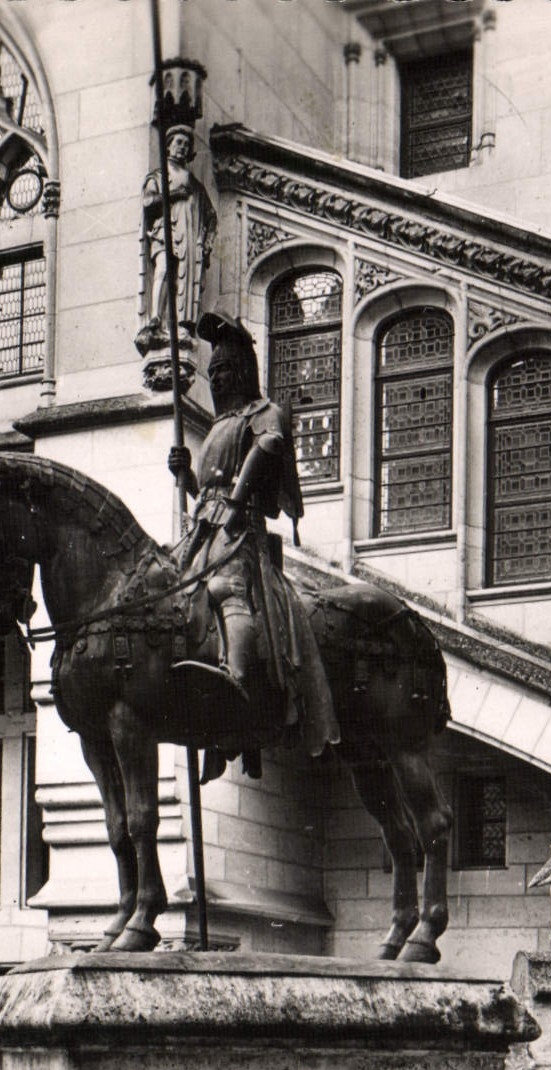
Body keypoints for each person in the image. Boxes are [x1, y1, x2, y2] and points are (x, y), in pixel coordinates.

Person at [170, 310, 340, 767]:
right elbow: (204, 489)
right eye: (213, 373)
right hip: (204, 528)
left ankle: (238, 686)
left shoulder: (265, 412)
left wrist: (236, 501)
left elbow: (270, 447)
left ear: (243, 370)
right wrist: (186, 474)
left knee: (227, 589)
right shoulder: (219, 426)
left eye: (224, 371)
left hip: (241, 529)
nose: (218, 380)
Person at [136, 126, 217, 354]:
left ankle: (181, 326)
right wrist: (173, 195)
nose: (182, 147)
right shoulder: (158, 176)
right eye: (178, 142)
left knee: (183, 280)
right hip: (165, 231)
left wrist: (207, 244)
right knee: (163, 269)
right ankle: (156, 320)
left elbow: (211, 216)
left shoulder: (195, 185)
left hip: (189, 241)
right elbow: (148, 202)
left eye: (186, 144)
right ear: (169, 145)